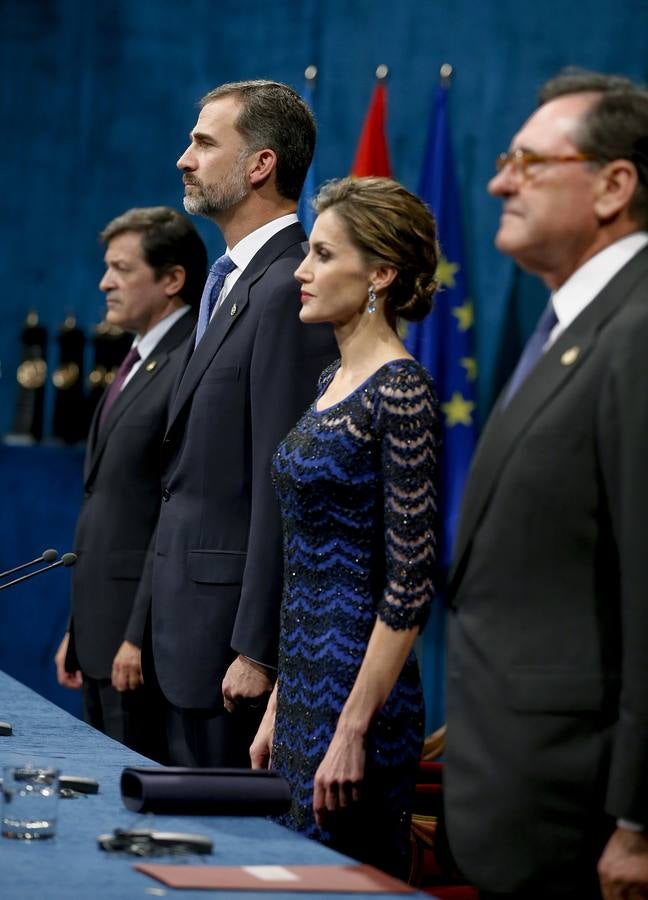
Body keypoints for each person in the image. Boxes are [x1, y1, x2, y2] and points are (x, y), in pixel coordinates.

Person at [444, 68, 648, 900]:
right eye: (504, 161)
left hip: (584, 820)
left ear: (614, 186)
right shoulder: (572, 326)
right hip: (517, 796)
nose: (499, 182)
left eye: (529, 164)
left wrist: (639, 822)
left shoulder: (637, 332)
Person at [142, 80, 337, 767]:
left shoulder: (291, 288)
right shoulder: (227, 283)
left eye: (203, 142)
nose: (183, 160)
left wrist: (257, 646)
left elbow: (282, 482)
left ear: (260, 165)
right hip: (181, 629)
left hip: (228, 648)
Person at [250, 176, 439, 879]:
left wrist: (353, 727)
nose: (302, 270)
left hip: (359, 710)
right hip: (303, 696)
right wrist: (280, 702)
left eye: (323, 255)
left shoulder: (401, 390)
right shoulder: (332, 376)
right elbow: (310, 564)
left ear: (380, 273)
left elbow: (410, 584)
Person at [54, 206, 206, 761]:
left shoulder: (190, 361)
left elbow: (173, 509)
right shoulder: (139, 357)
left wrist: (136, 633)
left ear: (171, 280)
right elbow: (108, 503)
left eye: (121, 268)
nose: (104, 282)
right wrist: (79, 625)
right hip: (102, 631)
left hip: (140, 643)